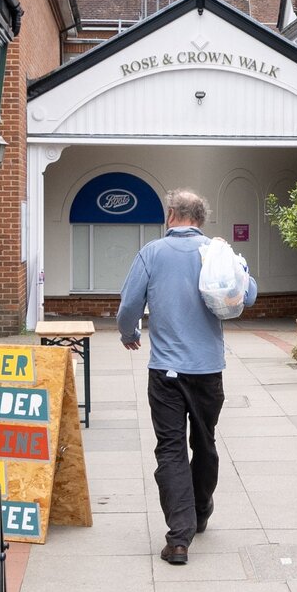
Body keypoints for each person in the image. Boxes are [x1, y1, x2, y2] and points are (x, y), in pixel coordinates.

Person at [116, 189, 253, 565]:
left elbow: (129, 307)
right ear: (201, 217)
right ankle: (201, 509)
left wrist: (130, 334)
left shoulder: (152, 253)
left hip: (166, 373)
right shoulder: (217, 252)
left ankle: (179, 538)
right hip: (209, 370)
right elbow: (250, 295)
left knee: (171, 448)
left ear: (172, 214)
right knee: (204, 442)